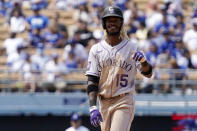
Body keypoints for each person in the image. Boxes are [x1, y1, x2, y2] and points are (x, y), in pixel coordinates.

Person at [85, 5, 153, 131]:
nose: (112, 23)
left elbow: (148, 74)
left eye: (115, 20)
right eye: (109, 20)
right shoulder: (96, 49)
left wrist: (143, 61)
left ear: (121, 23)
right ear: (104, 24)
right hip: (104, 101)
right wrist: (93, 107)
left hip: (124, 100)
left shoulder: (132, 47)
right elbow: (92, 80)